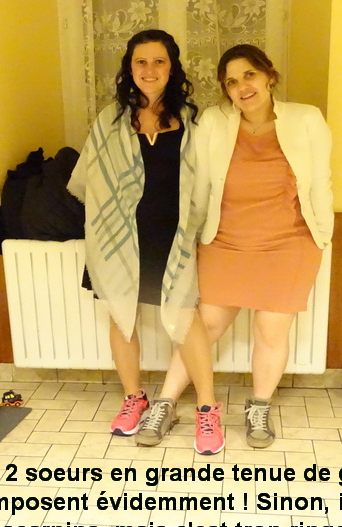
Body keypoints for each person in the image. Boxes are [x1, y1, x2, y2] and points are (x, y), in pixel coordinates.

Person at [136, 44, 333, 449]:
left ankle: (259, 407)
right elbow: (199, 186)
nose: (242, 87)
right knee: (203, 326)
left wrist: (323, 235)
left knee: (271, 329)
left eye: (249, 75)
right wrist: (190, 238)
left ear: (269, 76)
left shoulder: (306, 119)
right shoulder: (214, 121)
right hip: (225, 240)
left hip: (290, 242)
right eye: (231, 82)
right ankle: (165, 403)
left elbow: (320, 182)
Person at [67, 30, 224, 455]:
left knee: (185, 319)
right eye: (141, 61)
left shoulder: (193, 121)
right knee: (122, 317)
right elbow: (91, 181)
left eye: (159, 61)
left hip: (175, 236)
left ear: (172, 68)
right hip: (117, 236)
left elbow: (209, 181)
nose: (149, 70)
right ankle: (133, 397)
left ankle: (208, 408)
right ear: (129, 68)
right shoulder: (109, 121)